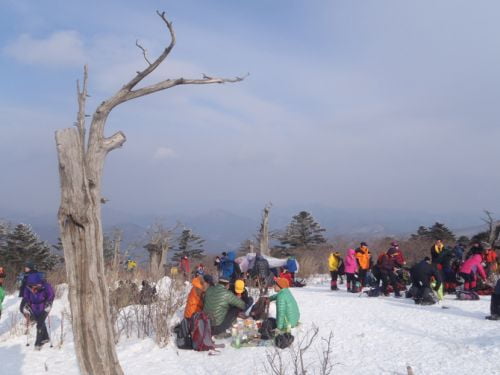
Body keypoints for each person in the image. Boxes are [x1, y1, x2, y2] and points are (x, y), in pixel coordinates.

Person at [22, 272, 55, 350]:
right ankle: (46, 338)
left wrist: (49, 302)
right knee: (40, 322)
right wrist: (27, 303)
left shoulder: (46, 286)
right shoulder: (28, 287)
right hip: (34, 307)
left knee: (39, 323)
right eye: (32, 285)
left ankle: (38, 343)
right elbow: (26, 296)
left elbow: (51, 294)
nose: (34, 287)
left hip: (44, 306)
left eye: (36, 285)